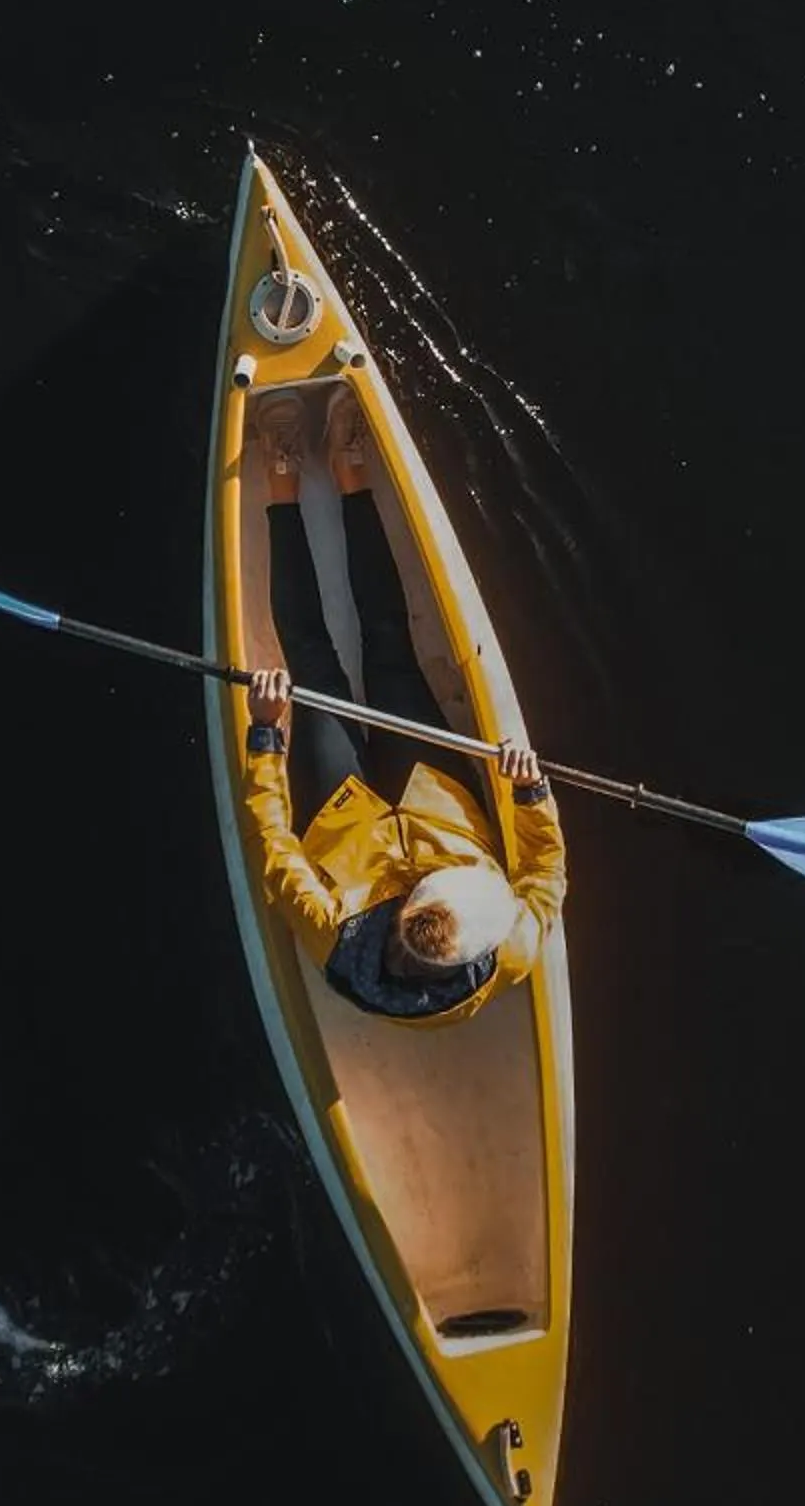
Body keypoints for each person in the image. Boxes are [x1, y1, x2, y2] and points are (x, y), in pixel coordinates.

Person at [240, 383, 567, 1026]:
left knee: (311, 666)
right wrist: (530, 797)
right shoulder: (512, 944)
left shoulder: (334, 932)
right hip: (434, 794)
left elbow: (273, 845)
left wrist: (265, 737)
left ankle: (281, 480)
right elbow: (544, 872)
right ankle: (346, 464)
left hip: (342, 821)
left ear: (408, 906)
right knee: (390, 646)